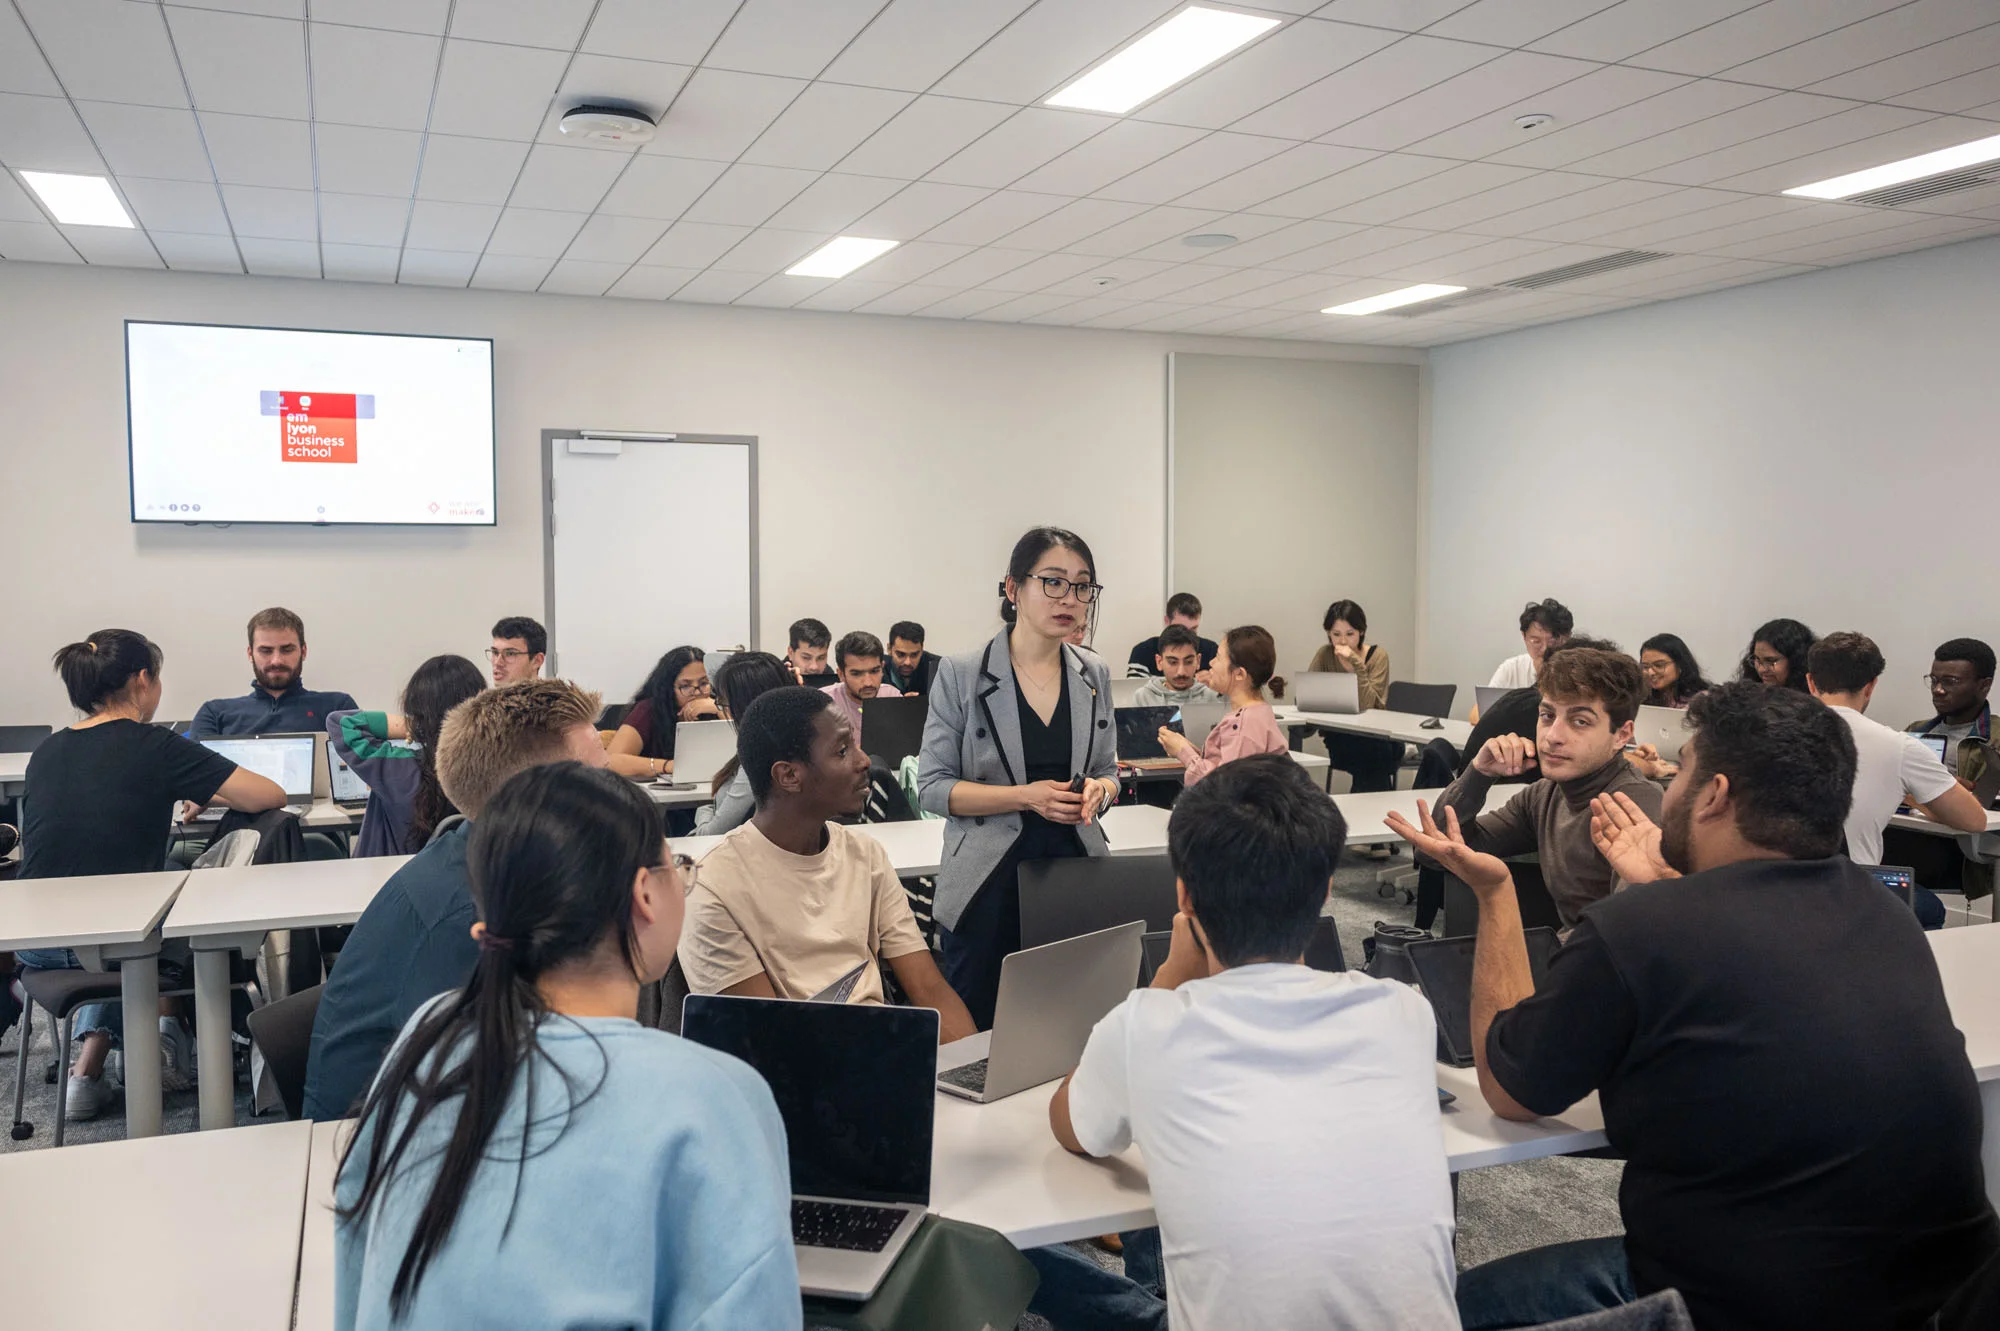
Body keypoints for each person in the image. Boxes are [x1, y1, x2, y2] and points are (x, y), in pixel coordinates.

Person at [1395, 683, 2000, 1331]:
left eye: (1681, 769)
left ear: (1713, 795)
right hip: (1937, 1294)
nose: (1669, 784)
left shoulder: (1642, 927)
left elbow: (1510, 1087)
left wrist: (1496, 894)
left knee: (1428, 1310)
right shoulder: (1886, 909)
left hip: (1742, 1306)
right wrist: (1661, 889)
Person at [333, 762, 799, 1330]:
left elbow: (358, 1255)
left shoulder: (431, 1035)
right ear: (644, 895)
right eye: (678, 864)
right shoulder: (713, 1094)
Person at [1045, 755, 1457, 1331]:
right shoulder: (1404, 1014)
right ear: (1327, 892)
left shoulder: (1147, 1028)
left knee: (1025, 1251)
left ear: (1185, 897)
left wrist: (1166, 980)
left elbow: (1070, 1127)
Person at [302, 680, 607, 1121]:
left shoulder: (477, 853)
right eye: (598, 781)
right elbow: (474, 1088)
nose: (615, 798)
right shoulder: (468, 915)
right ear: (529, 800)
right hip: (377, 1144)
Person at [16, 630, 285, 1119]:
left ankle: (90, 1066)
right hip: (111, 941)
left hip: (32, 940)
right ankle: (167, 1038)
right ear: (144, 680)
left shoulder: (48, 750)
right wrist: (207, 786)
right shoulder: (155, 745)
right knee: (177, 922)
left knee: (134, 902)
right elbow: (269, 795)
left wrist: (196, 785)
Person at [678, 688, 976, 1041]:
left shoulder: (864, 855)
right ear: (789, 776)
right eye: (842, 750)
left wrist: (972, 1071)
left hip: (880, 1053)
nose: (864, 761)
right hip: (800, 1075)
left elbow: (928, 988)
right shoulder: (712, 886)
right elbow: (768, 1040)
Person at [918, 526, 1120, 1028]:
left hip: (1075, 868)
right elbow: (933, 787)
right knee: (983, 1030)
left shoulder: (1093, 674)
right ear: (1012, 589)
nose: (1069, 598)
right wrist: (1024, 798)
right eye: (1052, 582)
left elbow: (1108, 771)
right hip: (989, 879)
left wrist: (1103, 790)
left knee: (1075, 1023)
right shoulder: (962, 673)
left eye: (1082, 586)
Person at [1420, 646, 1659, 929]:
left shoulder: (1633, 804)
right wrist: (1479, 773)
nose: (1553, 736)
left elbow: (1626, 930)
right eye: (1547, 716)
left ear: (1622, 735)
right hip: (1570, 954)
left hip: (1598, 964)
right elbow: (1436, 852)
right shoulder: (1545, 795)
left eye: (1579, 721)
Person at [1805, 632, 1985, 926]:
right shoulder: (1899, 747)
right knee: (1930, 908)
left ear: (1811, 682)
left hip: (1768, 886)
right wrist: (1910, 792)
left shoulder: (1767, 734)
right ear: (1871, 685)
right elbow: (1974, 820)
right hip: (1850, 887)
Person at [327, 655, 485, 858]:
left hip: (390, 878)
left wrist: (415, 725)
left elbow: (342, 723)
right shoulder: (490, 773)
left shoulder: (399, 768)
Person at [1886, 638, 1998, 903]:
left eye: (1950, 682)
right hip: (1905, 832)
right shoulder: (1916, 730)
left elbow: (1981, 806)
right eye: (1934, 680)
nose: (1938, 690)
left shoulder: (1995, 738)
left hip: (1955, 850)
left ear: (1984, 685)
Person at [192, 606, 358, 737]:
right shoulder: (215, 713)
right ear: (250, 654)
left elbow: (365, 772)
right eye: (266, 650)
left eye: (287, 650)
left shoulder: (338, 707)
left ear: (304, 651)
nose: (277, 660)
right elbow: (197, 777)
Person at [1159, 626, 1289, 787]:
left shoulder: (1244, 725)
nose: (1211, 663)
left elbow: (1226, 788)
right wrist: (1191, 751)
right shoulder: (1258, 712)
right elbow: (1225, 765)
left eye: (1218, 658)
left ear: (1239, 674)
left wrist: (1183, 752)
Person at [691, 650, 791, 837]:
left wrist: (702, 812)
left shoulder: (758, 759)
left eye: (723, 703)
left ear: (745, 705)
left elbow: (710, 834)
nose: (725, 711)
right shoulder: (785, 744)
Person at [1307, 598, 1400, 795]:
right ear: (1328, 634)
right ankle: (1377, 810)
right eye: (1336, 634)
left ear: (1361, 632)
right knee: (1379, 755)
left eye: (1350, 634)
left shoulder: (1378, 656)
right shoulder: (1325, 655)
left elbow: (1371, 706)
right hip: (1340, 735)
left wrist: (1355, 666)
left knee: (1380, 752)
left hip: (1374, 732)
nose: (1342, 641)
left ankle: (1369, 809)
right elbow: (1308, 696)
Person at [605, 646, 719, 781]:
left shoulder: (716, 704)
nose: (697, 692)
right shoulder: (648, 710)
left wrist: (718, 708)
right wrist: (669, 766)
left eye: (704, 683)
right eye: (685, 686)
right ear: (668, 689)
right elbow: (610, 761)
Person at [820, 630, 902, 746]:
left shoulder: (892, 696)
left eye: (874, 671)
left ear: (882, 668)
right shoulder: (824, 702)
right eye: (857, 674)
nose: (868, 682)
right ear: (841, 674)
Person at [1486, 599, 1573, 692]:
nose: (1544, 649)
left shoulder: (1580, 671)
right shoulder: (1511, 670)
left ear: (1568, 638)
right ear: (1524, 636)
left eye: (1552, 642)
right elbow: (1483, 706)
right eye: (1536, 641)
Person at [1126, 593, 1217, 678]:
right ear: (1167, 621)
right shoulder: (1142, 652)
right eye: (1181, 628)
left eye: (1193, 630)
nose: (1187, 636)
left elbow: (1225, 691)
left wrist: (1213, 684)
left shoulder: (1211, 651)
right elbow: (1133, 692)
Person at [1132, 624, 1222, 707]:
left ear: (1198, 661)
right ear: (1159, 662)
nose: (1181, 672)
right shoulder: (1143, 698)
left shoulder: (1214, 695)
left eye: (1188, 662)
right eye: (1173, 662)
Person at [1736, 617, 1813, 691]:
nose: (1761, 669)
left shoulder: (1816, 700)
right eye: (1758, 660)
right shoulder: (1747, 696)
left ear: (1796, 661)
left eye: (1770, 661)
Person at [1637, 633, 1709, 708]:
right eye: (1645, 667)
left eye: (1659, 665)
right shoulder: (1641, 697)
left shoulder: (1703, 700)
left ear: (1680, 664)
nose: (1650, 672)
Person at [885, 620, 940, 697]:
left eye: (914, 655)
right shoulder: (875, 669)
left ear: (922, 649)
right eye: (901, 654)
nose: (908, 662)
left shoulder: (938, 669)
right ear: (889, 649)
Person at [486, 615, 545, 686]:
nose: (497, 663)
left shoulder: (555, 697)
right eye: (495, 653)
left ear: (537, 661)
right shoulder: (484, 696)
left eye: (510, 654)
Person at [785, 617, 835, 687]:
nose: (814, 667)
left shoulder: (830, 678)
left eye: (821, 658)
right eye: (806, 658)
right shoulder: (774, 678)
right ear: (790, 653)